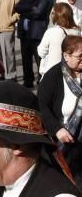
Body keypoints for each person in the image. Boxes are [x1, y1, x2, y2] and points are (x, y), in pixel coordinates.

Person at [38, 35, 82, 187]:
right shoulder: (53, 76)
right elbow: (41, 106)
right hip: (66, 142)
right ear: (66, 55)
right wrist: (57, 129)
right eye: (80, 56)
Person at [15, 0, 51, 88]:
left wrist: (24, 11)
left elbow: (38, 13)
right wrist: (31, 8)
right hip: (25, 34)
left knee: (40, 60)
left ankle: (42, 81)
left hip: (37, 34)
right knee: (26, 60)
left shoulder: (44, 0)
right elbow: (17, 8)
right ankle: (28, 82)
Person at [37, 2, 80, 75]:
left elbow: (41, 52)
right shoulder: (77, 32)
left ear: (58, 15)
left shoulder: (51, 32)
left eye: (53, 13)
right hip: (71, 71)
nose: (51, 15)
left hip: (52, 71)